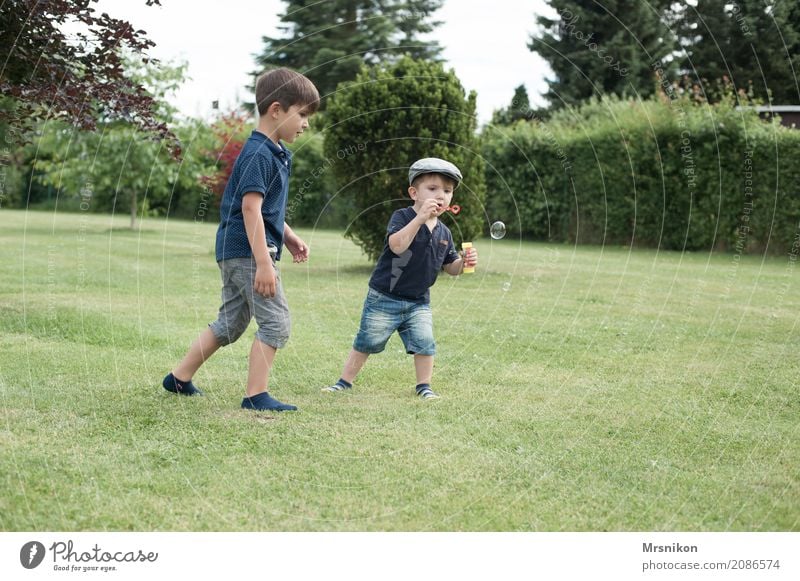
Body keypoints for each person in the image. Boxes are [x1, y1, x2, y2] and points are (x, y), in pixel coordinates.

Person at [162, 67, 319, 411]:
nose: (306, 123)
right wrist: (264, 262)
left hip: (237, 250)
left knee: (231, 323)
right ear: (276, 109)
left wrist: (288, 236)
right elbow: (250, 209)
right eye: (303, 114)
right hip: (249, 253)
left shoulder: (274, 152)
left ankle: (178, 378)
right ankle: (255, 395)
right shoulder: (259, 154)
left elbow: (266, 209)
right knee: (276, 323)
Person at [323, 157, 478, 400]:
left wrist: (464, 264)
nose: (441, 195)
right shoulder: (402, 217)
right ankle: (344, 382)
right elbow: (397, 245)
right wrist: (419, 219)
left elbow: (450, 266)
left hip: (418, 301)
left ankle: (424, 386)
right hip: (384, 296)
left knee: (425, 342)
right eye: (433, 189)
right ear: (414, 193)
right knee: (368, 340)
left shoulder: (444, 232)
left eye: (447, 191)